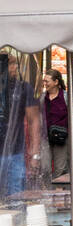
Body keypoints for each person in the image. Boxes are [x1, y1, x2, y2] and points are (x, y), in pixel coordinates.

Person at [0, 52, 42, 195]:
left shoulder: (23, 88)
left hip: (15, 152)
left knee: (16, 195)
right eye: (10, 64)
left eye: (15, 64)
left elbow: (34, 120)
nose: (15, 68)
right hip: (13, 151)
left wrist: (35, 154)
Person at [42, 68, 69, 180]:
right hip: (44, 137)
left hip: (61, 138)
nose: (44, 83)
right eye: (44, 81)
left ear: (56, 82)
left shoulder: (66, 97)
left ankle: (60, 193)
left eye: (47, 81)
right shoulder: (42, 98)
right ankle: (46, 193)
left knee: (60, 170)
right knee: (45, 168)